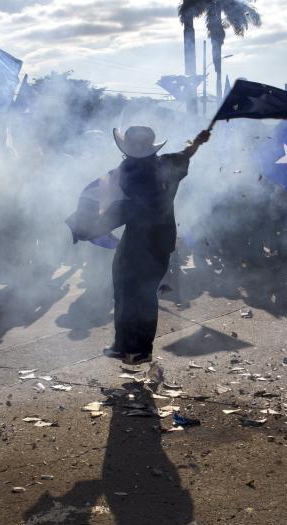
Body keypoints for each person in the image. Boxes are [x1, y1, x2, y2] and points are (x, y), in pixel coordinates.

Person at [103, 126, 210, 365]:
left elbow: (120, 209)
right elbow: (185, 154)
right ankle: (131, 348)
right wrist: (198, 142)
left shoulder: (132, 172)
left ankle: (133, 348)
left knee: (130, 293)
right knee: (138, 294)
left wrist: (95, 224)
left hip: (138, 242)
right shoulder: (167, 164)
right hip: (160, 241)